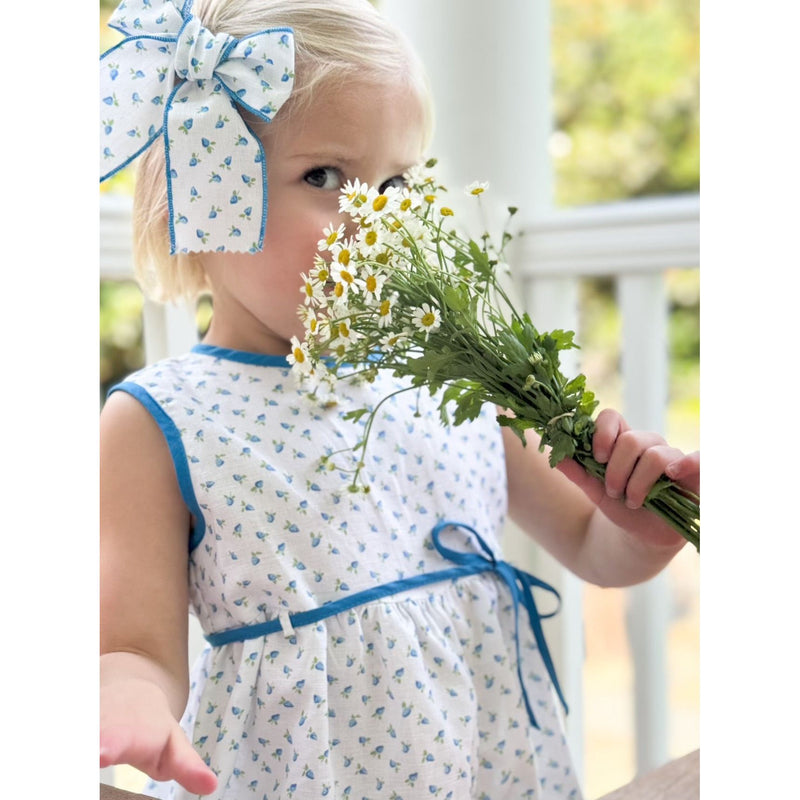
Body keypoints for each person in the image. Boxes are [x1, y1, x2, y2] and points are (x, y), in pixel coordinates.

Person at [99, 1, 700, 798]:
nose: (375, 215)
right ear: (209, 198)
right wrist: (125, 701)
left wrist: (644, 529)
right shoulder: (160, 418)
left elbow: (593, 542)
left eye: (396, 181)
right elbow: (134, 649)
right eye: (325, 176)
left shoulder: (453, 370)